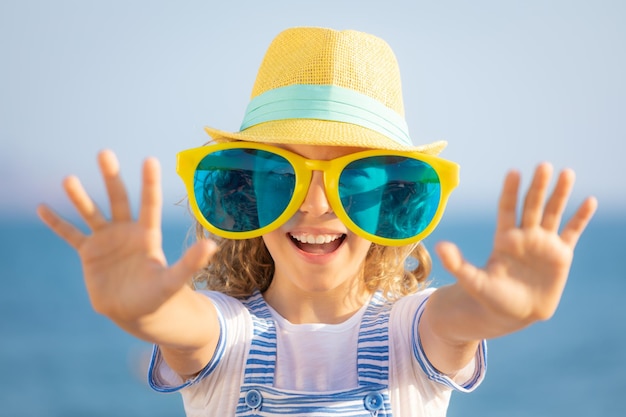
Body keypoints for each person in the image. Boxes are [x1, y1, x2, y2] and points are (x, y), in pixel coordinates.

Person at [37, 27, 597, 416]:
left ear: (397, 200)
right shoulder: (227, 335)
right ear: (242, 190)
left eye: (355, 178)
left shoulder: (412, 334)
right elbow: (184, 326)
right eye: (281, 174)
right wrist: (145, 308)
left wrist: (501, 310)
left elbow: (456, 319)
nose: (315, 205)